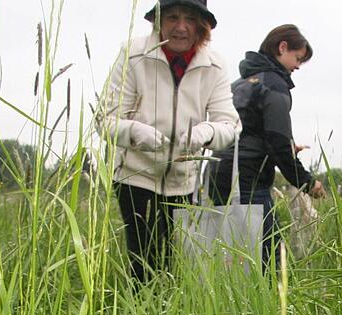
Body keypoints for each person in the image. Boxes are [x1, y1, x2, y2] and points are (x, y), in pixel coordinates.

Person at [100, 0, 241, 284]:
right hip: (135, 177)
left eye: (189, 19)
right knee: (143, 261)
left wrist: (205, 133)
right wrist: (136, 132)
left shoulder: (214, 65)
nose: (180, 27)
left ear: (201, 25)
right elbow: (106, 120)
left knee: (175, 262)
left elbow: (230, 125)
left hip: (183, 180)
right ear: (158, 21)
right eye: (172, 17)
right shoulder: (133, 55)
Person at [209, 24, 325, 270]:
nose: (298, 66)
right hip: (248, 181)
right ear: (282, 47)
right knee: (270, 260)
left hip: (217, 173)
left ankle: (232, 303)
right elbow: (277, 140)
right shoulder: (274, 84)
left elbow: (250, 133)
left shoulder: (239, 84)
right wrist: (306, 181)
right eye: (298, 58)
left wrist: (285, 147)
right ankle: (272, 305)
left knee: (233, 255)